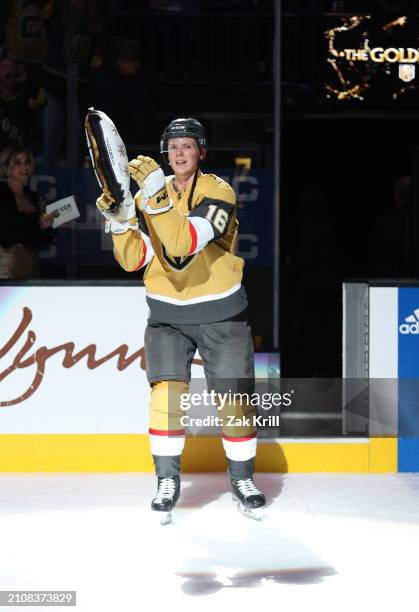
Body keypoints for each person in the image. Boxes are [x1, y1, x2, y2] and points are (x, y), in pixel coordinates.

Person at [96, 118, 265, 522]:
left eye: (187, 146)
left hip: (221, 313)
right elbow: (133, 260)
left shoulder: (218, 191)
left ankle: (242, 479)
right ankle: (166, 481)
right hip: (166, 315)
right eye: (172, 147)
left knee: (234, 403)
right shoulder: (148, 197)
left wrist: (153, 195)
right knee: (165, 401)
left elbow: (181, 245)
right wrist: (121, 223)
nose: (179, 153)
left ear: (202, 152)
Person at [0, 144, 54, 278]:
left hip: (32, 266)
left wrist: (51, 225)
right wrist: (37, 223)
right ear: (5, 167)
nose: (24, 167)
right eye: (18, 162)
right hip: (5, 267)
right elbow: (7, 230)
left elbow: (45, 238)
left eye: (27, 162)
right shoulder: (1, 193)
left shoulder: (36, 198)